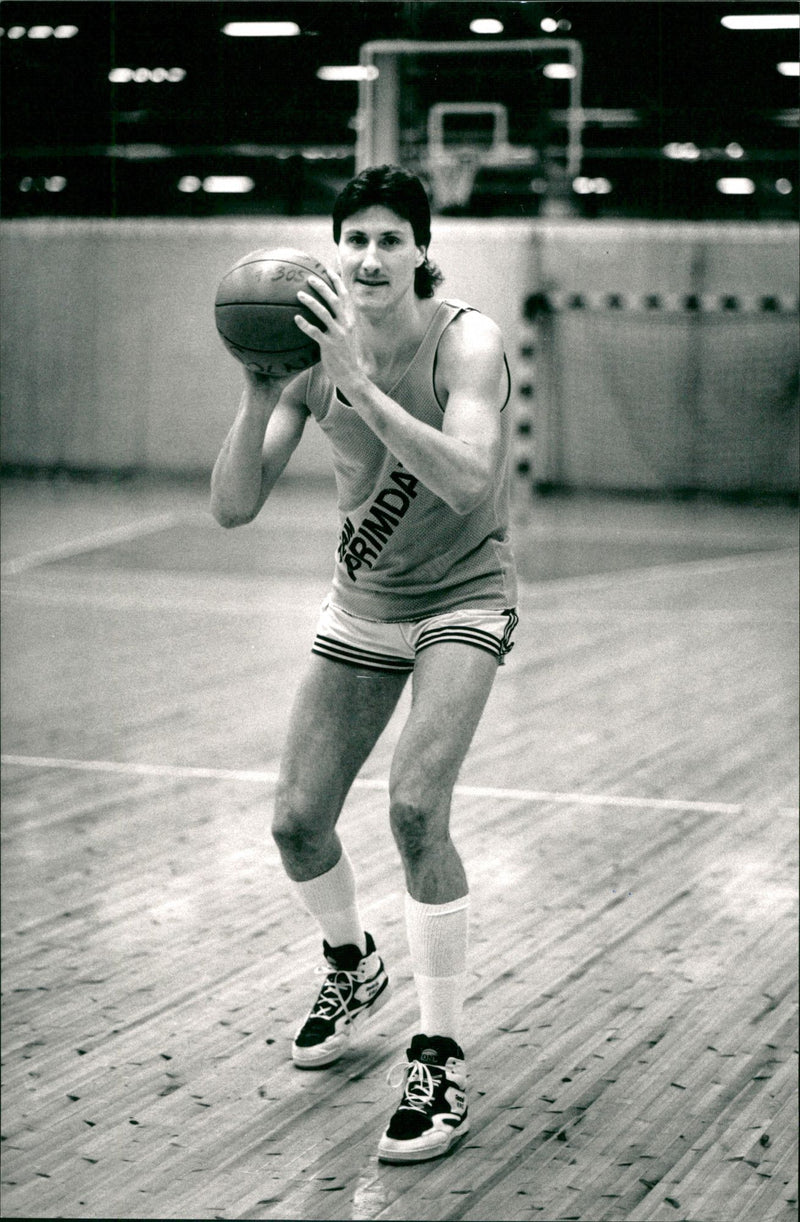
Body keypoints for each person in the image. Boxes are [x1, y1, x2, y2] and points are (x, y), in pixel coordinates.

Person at [210, 165, 518, 1163]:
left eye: (392, 238)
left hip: (464, 596)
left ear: (420, 250)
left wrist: (361, 386)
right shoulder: (305, 353)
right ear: (333, 245)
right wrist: (260, 394)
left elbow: (470, 479)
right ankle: (351, 960)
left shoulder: (466, 339)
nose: (371, 254)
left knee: (415, 808)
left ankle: (437, 1052)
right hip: (364, 604)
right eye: (356, 237)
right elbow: (232, 503)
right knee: (296, 822)